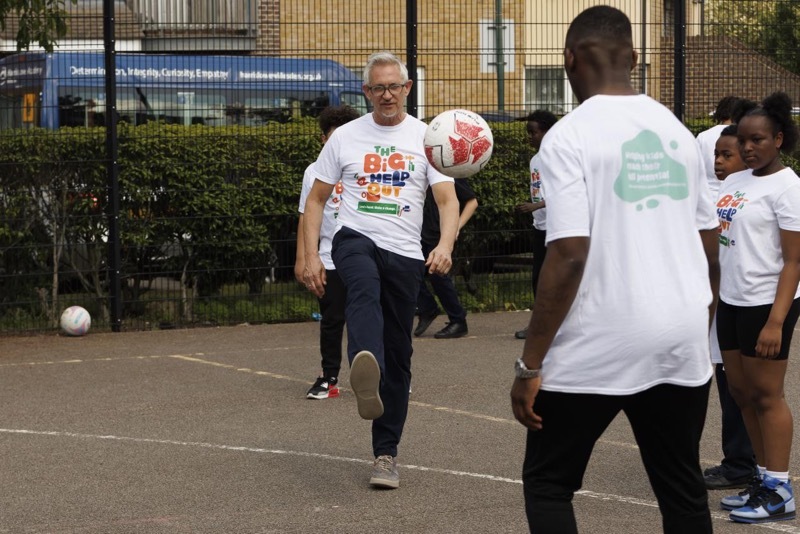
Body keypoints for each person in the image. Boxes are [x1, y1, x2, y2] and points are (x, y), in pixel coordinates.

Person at [509, 6, 719, 534]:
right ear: (635, 57)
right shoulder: (676, 130)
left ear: (569, 59)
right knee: (682, 488)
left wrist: (530, 365)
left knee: (550, 484)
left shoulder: (568, 136)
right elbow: (709, 242)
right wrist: (699, 317)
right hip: (679, 334)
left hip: (598, 338)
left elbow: (570, 254)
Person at [302, 51, 459, 489]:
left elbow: (447, 200)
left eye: (394, 86)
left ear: (407, 89)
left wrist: (445, 245)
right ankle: (362, 362)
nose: (386, 94)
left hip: (405, 253)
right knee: (362, 288)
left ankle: (385, 454)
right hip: (355, 238)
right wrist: (312, 254)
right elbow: (315, 200)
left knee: (401, 357)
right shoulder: (345, 137)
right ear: (366, 92)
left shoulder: (427, 138)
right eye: (377, 88)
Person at [716, 92, 800, 524]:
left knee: (767, 396)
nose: (748, 148)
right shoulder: (735, 182)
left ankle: (781, 489)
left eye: (758, 140)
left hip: (767, 305)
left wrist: (776, 321)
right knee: (740, 392)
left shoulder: (789, 188)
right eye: (743, 140)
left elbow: (794, 261)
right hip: (732, 300)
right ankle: (762, 478)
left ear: (779, 140)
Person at [703, 123, 758, 490]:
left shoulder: (761, 193)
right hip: (723, 301)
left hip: (748, 302)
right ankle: (740, 461)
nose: (718, 161)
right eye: (716, 155)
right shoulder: (723, 192)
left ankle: (744, 464)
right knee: (730, 385)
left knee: (748, 389)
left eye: (727, 155)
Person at [295, 105, 361, 400]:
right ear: (323, 140)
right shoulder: (314, 172)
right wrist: (305, 258)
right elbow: (305, 215)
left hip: (364, 256)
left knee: (373, 317)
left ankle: (386, 374)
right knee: (332, 320)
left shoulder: (364, 166)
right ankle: (329, 377)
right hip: (330, 257)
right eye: (332, 139)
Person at [513, 110, 558, 340]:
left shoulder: (558, 157)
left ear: (548, 131)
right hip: (540, 227)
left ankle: (553, 328)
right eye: (528, 132)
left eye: (534, 132)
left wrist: (536, 206)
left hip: (558, 227)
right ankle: (541, 326)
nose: (529, 136)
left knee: (554, 279)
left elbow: (566, 192)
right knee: (538, 279)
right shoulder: (535, 160)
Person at [413, 178, 478, 339]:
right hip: (416, 232)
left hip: (438, 234)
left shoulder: (446, 170)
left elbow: (472, 202)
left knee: (438, 276)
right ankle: (427, 308)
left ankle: (458, 320)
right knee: (408, 271)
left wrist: (455, 227)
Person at [696, 96, 742, 198]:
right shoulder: (743, 135)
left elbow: (695, 166)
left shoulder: (703, 136)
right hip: (736, 194)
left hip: (708, 194)